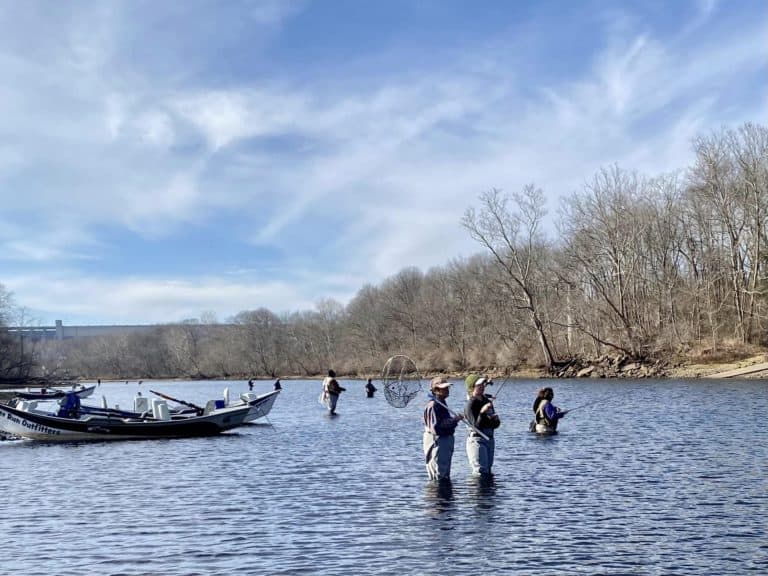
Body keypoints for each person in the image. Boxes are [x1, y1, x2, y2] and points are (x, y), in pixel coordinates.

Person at [423, 376, 464, 481]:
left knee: (445, 473)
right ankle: (437, 496)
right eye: (444, 388)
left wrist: (454, 421)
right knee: (438, 475)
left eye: (447, 388)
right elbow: (436, 428)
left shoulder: (442, 403)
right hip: (437, 441)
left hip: (445, 441)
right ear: (436, 390)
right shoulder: (433, 405)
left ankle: (445, 496)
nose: (447, 390)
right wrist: (454, 420)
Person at [464, 376, 501, 476]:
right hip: (477, 440)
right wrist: (482, 412)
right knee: (480, 472)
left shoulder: (487, 401)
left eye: (482, 384)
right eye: (478, 385)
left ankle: (489, 492)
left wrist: (496, 420)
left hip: (489, 439)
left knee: (488, 471)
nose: (482, 386)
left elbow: (494, 425)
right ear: (472, 387)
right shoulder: (470, 404)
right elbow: (476, 426)